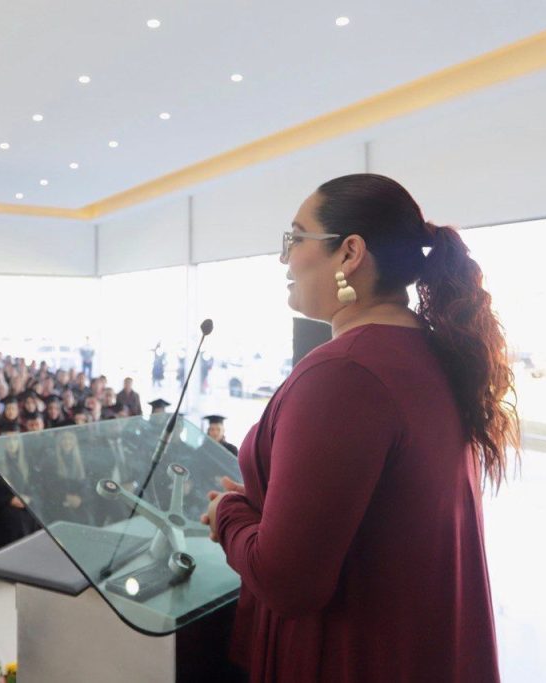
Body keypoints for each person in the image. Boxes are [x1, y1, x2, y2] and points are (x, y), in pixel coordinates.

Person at [202, 174, 519, 682]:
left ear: (349, 253)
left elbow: (287, 583)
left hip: (354, 654)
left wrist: (228, 513)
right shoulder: (424, 351)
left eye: (295, 238)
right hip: (415, 645)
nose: (284, 259)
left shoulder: (345, 373)